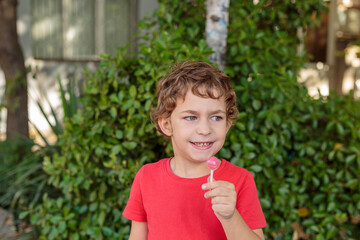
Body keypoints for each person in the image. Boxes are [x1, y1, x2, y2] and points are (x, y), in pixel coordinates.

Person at [123, 60, 267, 240]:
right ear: (167, 125)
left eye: (216, 117)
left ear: (227, 124)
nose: (205, 129)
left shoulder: (240, 181)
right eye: (191, 117)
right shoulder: (146, 178)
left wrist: (230, 217)